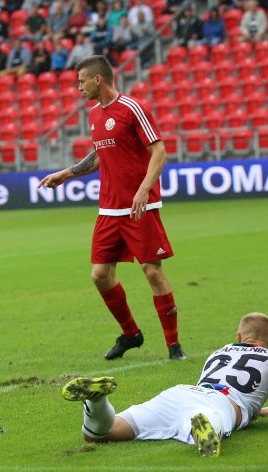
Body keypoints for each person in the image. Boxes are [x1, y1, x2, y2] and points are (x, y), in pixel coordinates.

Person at [37, 55, 186, 361]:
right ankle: (131, 334)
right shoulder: (94, 115)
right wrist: (65, 174)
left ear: (98, 80)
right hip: (109, 209)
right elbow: (100, 155)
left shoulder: (133, 108)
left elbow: (159, 149)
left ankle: (174, 346)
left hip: (139, 207)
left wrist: (145, 188)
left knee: (152, 272)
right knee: (100, 275)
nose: (78, 87)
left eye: (81, 81)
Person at [61, 312, 268, 456]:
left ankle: (97, 400)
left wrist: (256, 412)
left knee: (101, 434)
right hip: (219, 405)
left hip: (181, 393)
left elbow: (219, 386)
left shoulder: (220, 351)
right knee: (210, 422)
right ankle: (206, 429)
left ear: (238, 337)